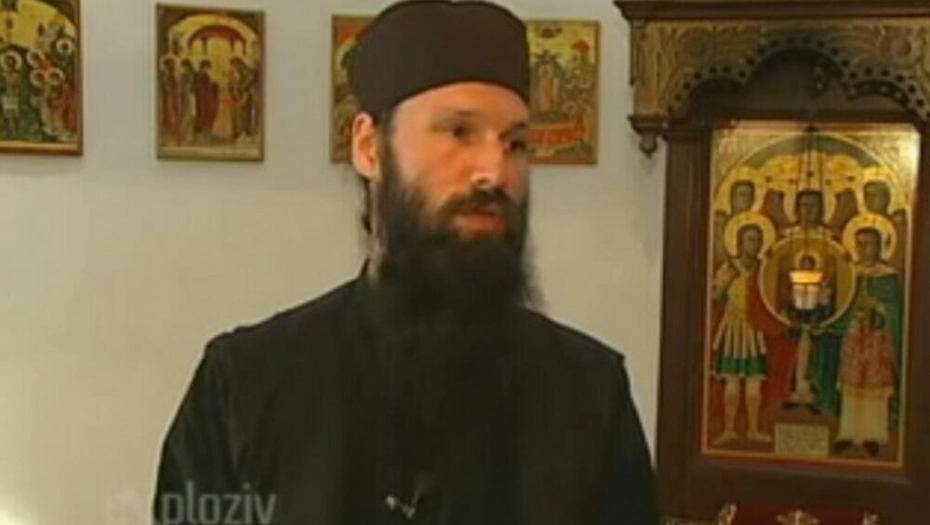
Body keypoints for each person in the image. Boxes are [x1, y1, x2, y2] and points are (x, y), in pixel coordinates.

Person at [152, 1, 659, 524]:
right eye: (459, 132)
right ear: (369, 147)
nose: (495, 170)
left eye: (515, 143)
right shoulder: (243, 389)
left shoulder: (591, 397)